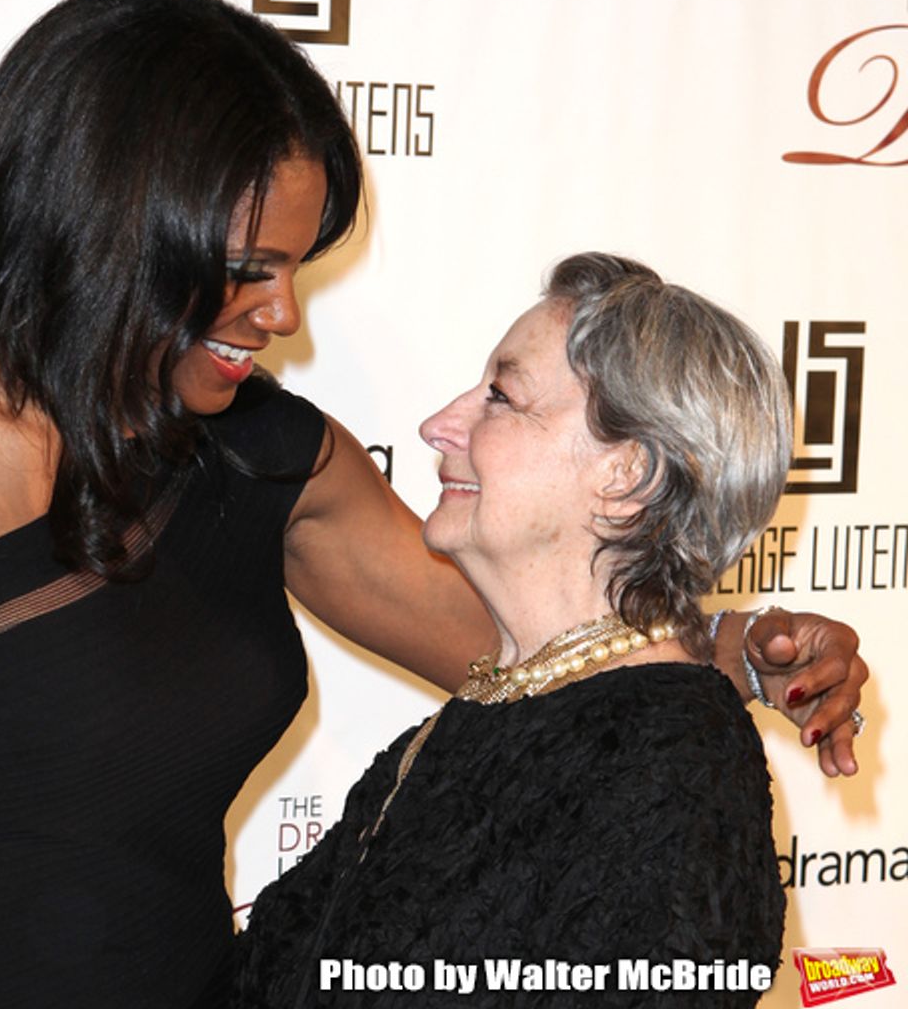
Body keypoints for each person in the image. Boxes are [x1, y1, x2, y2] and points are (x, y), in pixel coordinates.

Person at [0, 0, 863, 1009]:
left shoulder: (265, 451)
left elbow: (532, 655)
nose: (283, 315)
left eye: (297, 266)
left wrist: (736, 644)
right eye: (251, 267)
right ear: (114, 225)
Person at [234, 254, 805, 1008]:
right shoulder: (487, 713)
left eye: (501, 397)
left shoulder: (670, 762)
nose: (439, 426)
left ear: (627, 476)